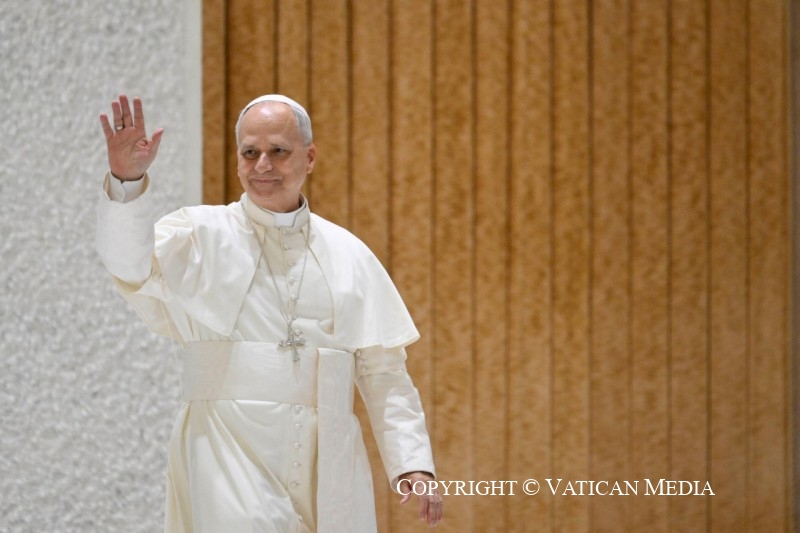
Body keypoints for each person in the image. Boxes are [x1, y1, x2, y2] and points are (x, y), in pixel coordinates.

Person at [96, 94, 443, 532]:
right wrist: (126, 181)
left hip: (328, 458)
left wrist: (412, 463)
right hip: (226, 451)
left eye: (278, 151)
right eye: (249, 152)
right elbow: (127, 264)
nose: (263, 165)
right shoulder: (200, 235)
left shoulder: (349, 254)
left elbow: (383, 371)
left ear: (309, 158)